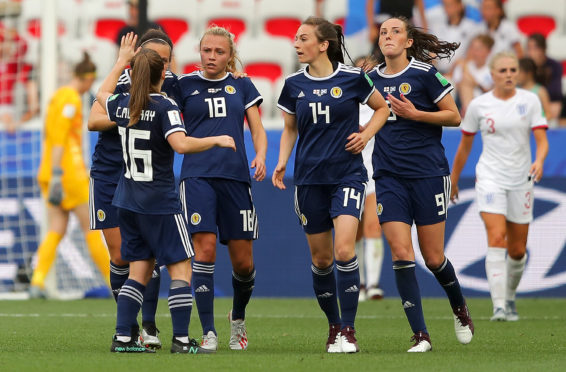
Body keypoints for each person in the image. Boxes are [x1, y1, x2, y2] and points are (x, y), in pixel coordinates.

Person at [94, 39, 236, 353]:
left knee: (138, 271)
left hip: (127, 201)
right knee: (182, 269)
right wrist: (218, 139)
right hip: (159, 201)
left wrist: (120, 61)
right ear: (163, 73)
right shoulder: (165, 106)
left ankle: (123, 338)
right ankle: (183, 341)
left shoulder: (124, 104)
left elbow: (100, 95)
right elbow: (182, 145)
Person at [273, 17, 390, 353]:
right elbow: (290, 128)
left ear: (323, 44)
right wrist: (283, 160)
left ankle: (349, 331)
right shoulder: (293, 84)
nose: (296, 43)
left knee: (344, 250)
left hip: (347, 175)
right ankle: (334, 327)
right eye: (295, 38)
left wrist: (366, 135)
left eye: (303, 38)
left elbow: (381, 110)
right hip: (309, 179)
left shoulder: (353, 78)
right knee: (322, 260)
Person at [367, 16, 474, 352]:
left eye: (395, 31)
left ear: (409, 41)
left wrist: (417, 115)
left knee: (433, 257)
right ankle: (421, 335)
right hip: (388, 176)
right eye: (383, 32)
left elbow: (454, 116)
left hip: (428, 174)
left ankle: (459, 308)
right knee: (401, 252)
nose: (388, 36)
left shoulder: (426, 75)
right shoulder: (369, 80)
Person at [88, 28, 180, 349]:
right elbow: (93, 120)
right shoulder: (122, 84)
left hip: (144, 180)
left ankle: (149, 328)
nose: (164, 65)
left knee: (147, 256)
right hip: (109, 174)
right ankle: (129, 327)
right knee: (121, 256)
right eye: (157, 58)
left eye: (167, 59)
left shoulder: (172, 86)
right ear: (140, 57)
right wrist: (134, 114)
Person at [177, 26, 267, 352]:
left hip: (235, 178)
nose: (211, 57)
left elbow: (257, 128)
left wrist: (260, 154)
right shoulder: (183, 85)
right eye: (206, 51)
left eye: (219, 52)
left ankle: (238, 317)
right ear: (199, 52)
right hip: (197, 176)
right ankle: (208, 332)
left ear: (230, 57)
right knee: (205, 251)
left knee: (244, 264)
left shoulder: (241, 84)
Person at [450, 51, 548, 322]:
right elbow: (464, 147)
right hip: (490, 177)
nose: (508, 75)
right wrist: (454, 179)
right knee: (496, 238)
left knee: (517, 251)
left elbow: (541, 140)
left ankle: (510, 296)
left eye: (513, 70)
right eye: (503, 71)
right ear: (491, 75)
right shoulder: (479, 106)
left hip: (521, 180)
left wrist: (539, 160)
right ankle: (499, 306)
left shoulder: (530, 101)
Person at [30, 53, 110, 297]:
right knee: (91, 228)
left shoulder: (58, 96)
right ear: (87, 79)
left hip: (49, 170)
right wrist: (57, 173)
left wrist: (51, 173)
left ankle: (37, 280)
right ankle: (113, 282)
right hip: (67, 173)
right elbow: (59, 139)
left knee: (57, 228)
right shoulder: (71, 99)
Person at [431, 0, 479, 76]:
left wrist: (457, 67)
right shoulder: (437, 27)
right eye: (445, 5)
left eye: (450, 5)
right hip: (438, 73)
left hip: (460, 73)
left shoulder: (471, 27)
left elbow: (472, 54)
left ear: (460, 6)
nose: (447, 8)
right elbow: (432, 53)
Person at [526, 33, 562, 126]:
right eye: (529, 48)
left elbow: (555, 91)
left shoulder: (554, 66)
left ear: (543, 49)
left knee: (556, 106)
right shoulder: (524, 67)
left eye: (535, 48)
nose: (531, 52)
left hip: (547, 102)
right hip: (527, 103)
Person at [453, 34, 494, 114]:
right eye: (472, 48)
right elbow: (456, 86)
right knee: (464, 83)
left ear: (489, 51)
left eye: (479, 49)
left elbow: (489, 91)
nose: (474, 52)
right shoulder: (463, 66)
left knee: (466, 81)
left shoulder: (492, 70)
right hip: (461, 104)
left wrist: (465, 69)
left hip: (485, 105)